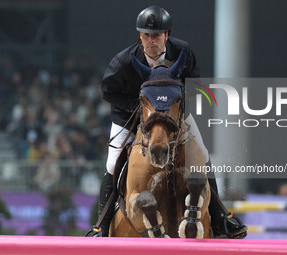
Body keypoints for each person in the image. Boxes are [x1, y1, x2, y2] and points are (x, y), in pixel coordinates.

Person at [99, 5, 247, 238]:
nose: (151, 41)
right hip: (131, 117)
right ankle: (101, 225)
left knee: (205, 154)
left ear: (166, 35)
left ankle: (220, 220)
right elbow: (108, 91)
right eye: (146, 36)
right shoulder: (125, 61)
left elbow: (195, 87)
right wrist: (138, 108)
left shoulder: (183, 53)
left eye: (156, 35)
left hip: (173, 115)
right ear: (140, 36)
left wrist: (174, 111)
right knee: (112, 162)